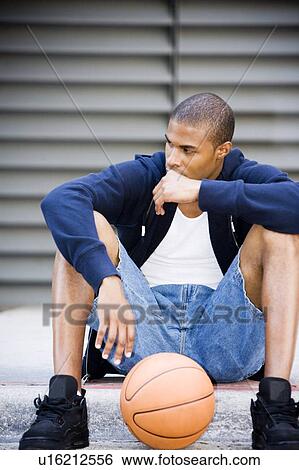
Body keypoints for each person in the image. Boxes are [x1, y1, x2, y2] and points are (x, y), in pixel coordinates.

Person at [19, 93, 299, 450]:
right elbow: (60, 199)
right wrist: (108, 281)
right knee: (82, 227)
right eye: (169, 144)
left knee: (279, 233)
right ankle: (65, 405)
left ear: (222, 150)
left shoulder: (244, 175)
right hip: (142, 333)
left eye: (187, 150)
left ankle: (276, 407)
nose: (173, 160)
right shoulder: (147, 175)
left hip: (226, 336)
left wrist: (203, 192)